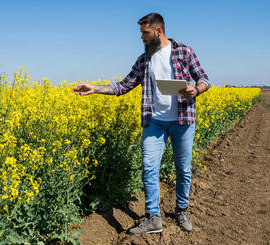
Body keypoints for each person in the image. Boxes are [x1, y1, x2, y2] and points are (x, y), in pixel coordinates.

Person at [73, 13, 210, 235]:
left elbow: (204, 78)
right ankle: (153, 218)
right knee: (149, 168)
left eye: (145, 33)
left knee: (183, 169)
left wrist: (196, 89)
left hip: (182, 121)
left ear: (158, 31)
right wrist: (95, 88)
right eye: (141, 34)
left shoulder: (184, 51)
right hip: (154, 121)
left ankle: (181, 211)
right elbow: (123, 86)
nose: (142, 38)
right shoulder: (144, 59)